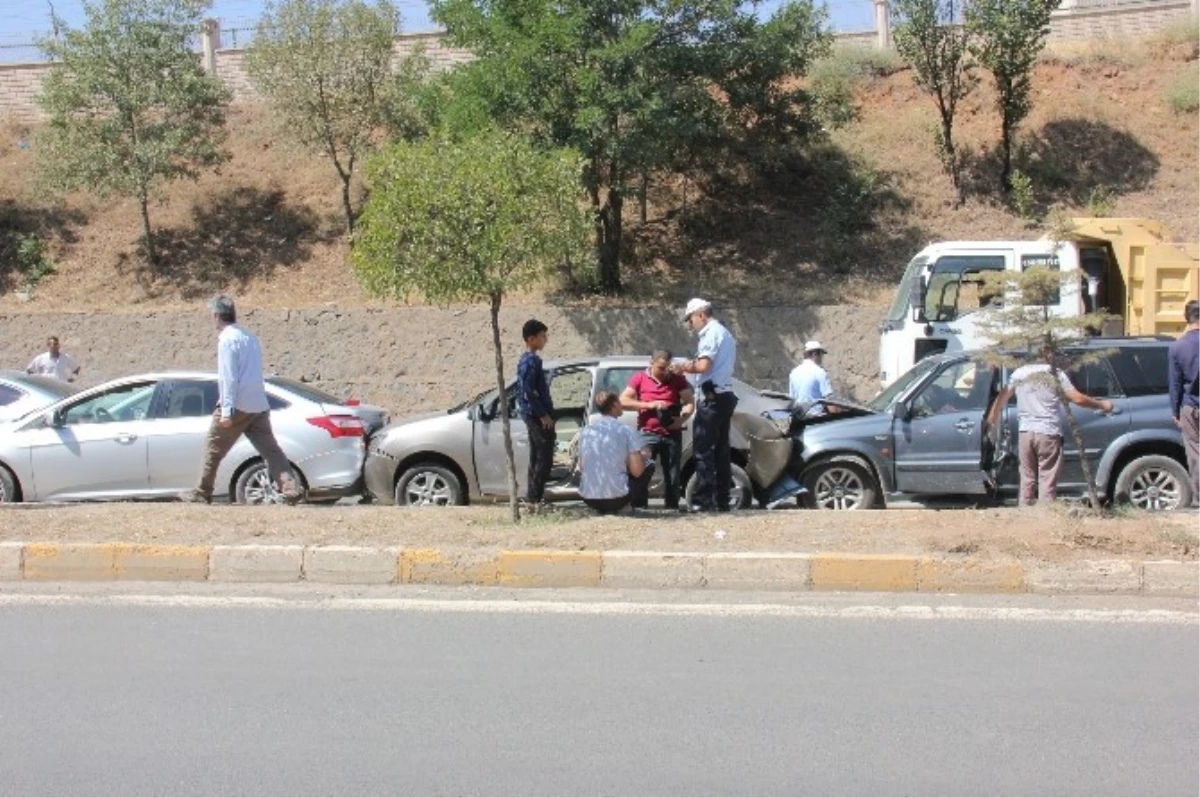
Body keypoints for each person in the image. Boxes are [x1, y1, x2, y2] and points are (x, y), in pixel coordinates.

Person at [180, 295, 303, 505]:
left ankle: (202, 491)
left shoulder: (227, 340)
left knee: (213, 447)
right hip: (258, 403)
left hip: (238, 403)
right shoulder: (249, 336)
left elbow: (228, 377)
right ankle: (290, 488)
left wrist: (227, 411)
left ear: (216, 316)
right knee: (271, 450)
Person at [986, 347, 1114, 507]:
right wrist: (1102, 404)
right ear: (1048, 354)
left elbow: (1001, 398)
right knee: (1047, 478)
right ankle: (1045, 518)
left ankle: (1025, 516)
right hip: (1048, 432)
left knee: (1027, 478)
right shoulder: (1055, 374)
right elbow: (1077, 399)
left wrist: (991, 422)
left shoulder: (1019, 374)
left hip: (1025, 433)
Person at [675, 298, 737, 512]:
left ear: (701, 314)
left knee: (703, 451)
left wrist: (682, 367)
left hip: (712, 398)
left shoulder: (710, 333)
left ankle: (704, 501)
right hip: (724, 395)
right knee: (721, 451)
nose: (690, 324)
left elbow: (703, 365)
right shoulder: (725, 333)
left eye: (691, 319)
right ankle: (722, 500)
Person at [621, 349, 695, 510]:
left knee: (673, 474)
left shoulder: (678, 379)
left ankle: (672, 507)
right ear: (651, 363)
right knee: (642, 470)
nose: (664, 371)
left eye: (667, 367)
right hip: (647, 433)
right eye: (660, 368)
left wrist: (684, 415)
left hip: (672, 433)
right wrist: (649, 405)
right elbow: (623, 400)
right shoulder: (639, 378)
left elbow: (690, 402)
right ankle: (640, 507)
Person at [577, 391, 650, 514]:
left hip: (588, 498)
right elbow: (637, 472)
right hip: (617, 498)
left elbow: (581, 467)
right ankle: (630, 505)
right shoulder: (626, 430)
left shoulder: (586, 431)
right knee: (648, 462)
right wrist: (643, 456)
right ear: (614, 405)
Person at [517, 318, 555, 508]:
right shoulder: (530, 361)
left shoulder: (531, 360)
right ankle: (534, 498)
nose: (545, 339)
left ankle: (533, 497)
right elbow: (528, 391)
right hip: (535, 415)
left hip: (534, 413)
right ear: (531, 339)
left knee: (537, 455)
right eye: (542, 336)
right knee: (544, 457)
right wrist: (543, 415)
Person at [1168, 299, 1200, 506]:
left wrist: (1175, 411)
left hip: (1191, 407)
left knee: (1196, 452)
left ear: (1186, 318)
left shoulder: (1177, 347)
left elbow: (1175, 383)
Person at [788, 341, 833, 415]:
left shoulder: (793, 373)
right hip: (816, 418)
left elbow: (792, 400)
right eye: (821, 355)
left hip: (799, 419)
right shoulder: (820, 372)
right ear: (815, 354)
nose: (822, 358)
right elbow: (829, 401)